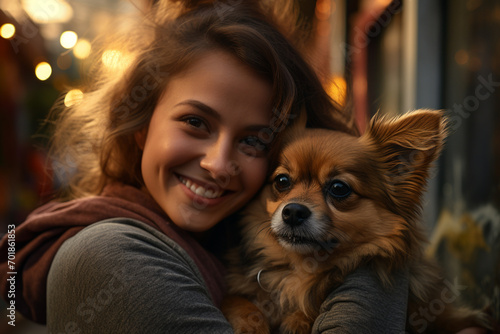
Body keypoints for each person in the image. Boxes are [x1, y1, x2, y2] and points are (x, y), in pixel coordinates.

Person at [0, 0, 424, 332]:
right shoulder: (111, 258)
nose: (219, 164)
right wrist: (384, 266)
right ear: (142, 127)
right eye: (195, 122)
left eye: (254, 141)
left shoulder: (230, 247)